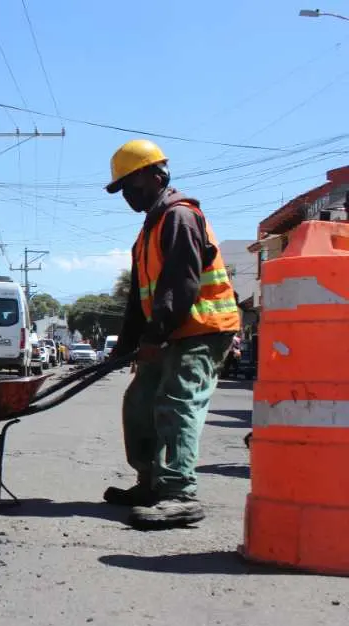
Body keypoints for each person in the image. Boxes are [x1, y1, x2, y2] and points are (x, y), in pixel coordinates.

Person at [106, 140, 240, 530]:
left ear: (157, 175)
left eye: (131, 185)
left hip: (200, 329)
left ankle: (179, 493)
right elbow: (139, 298)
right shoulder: (148, 230)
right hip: (171, 330)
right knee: (140, 400)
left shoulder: (180, 217)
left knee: (176, 402)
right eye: (122, 189)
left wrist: (155, 336)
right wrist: (127, 346)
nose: (128, 195)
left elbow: (180, 284)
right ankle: (150, 482)